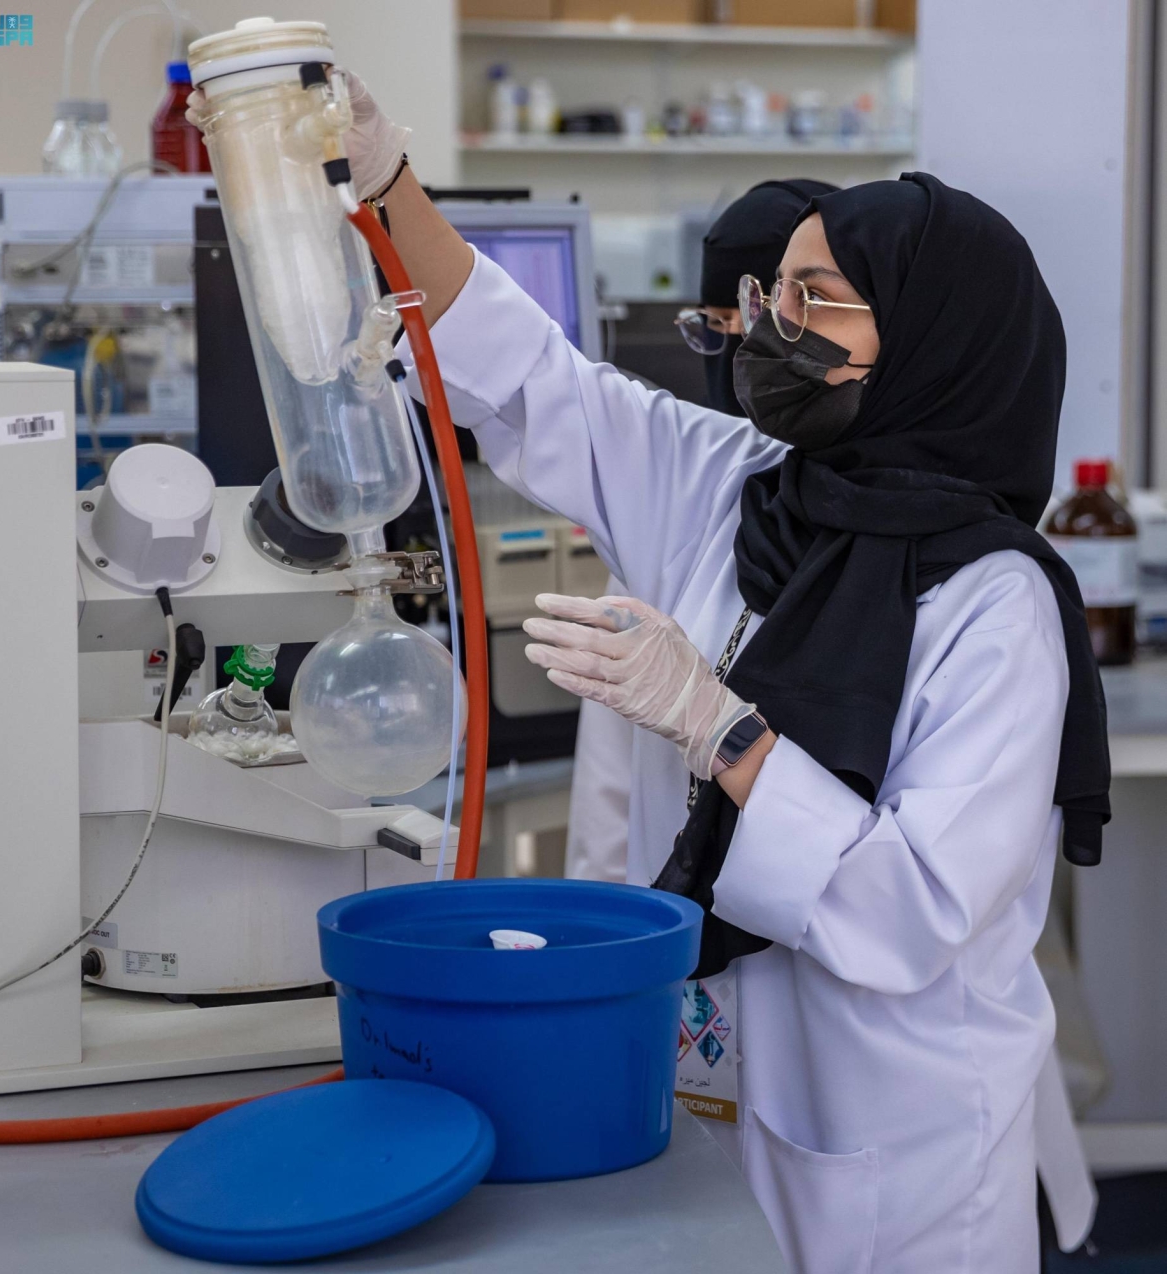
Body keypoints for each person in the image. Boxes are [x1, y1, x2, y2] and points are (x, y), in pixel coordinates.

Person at [191, 78, 1110, 1274]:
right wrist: (388, 185)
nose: (772, 328)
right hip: (704, 1064)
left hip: (895, 1128)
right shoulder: (739, 483)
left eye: (815, 299)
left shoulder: (995, 603)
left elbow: (915, 911)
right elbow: (537, 380)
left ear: (934, 342)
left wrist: (720, 729)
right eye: (772, 293)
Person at [566, 179, 837, 887]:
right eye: (711, 329)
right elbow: (609, 790)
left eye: (751, 328)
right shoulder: (685, 499)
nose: (736, 359)